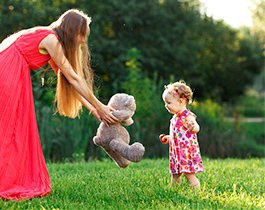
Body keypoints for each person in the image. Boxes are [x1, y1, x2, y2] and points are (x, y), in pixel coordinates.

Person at [0, 9, 119, 200]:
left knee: (10, 128)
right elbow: (74, 78)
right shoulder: (51, 39)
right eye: (82, 35)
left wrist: (93, 109)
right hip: (8, 71)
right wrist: (101, 106)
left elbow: (68, 81)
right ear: (73, 30)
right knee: (11, 129)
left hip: (8, 67)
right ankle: (6, 181)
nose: (83, 41)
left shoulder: (48, 38)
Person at [159, 80, 204, 190]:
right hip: (176, 152)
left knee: (189, 175)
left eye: (168, 103)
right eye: (165, 103)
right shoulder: (175, 117)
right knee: (175, 174)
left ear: (180, 101)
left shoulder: (187, 116)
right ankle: (174, 190)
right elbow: (178, 135)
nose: (166, 105)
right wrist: (169, 138)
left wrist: (192, 127)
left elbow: (197, 128)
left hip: (186, 152)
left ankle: (198, 192)